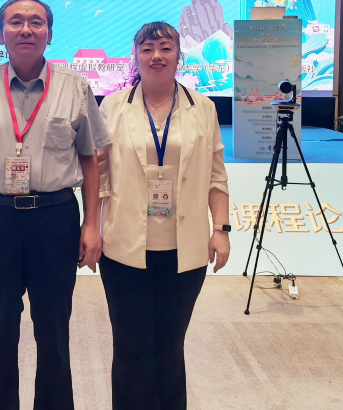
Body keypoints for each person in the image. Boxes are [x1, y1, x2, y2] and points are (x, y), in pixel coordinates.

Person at [0, 0, 111, 410]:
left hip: (55, 218)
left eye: (36, 22)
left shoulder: (75, 87)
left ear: (49, 34)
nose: (26, 29)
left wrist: (91, 225)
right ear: (1, 34)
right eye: (15, 21)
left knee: (54, 331)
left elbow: (90, 161)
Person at [97, 21, 231, 410]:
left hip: (184, 250)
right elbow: (99, 176)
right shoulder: (112, 106)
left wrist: (221, 229)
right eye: (147, 48)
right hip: (123, 248)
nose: (156, 55)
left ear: (178, 55)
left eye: (166, 47)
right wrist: (92, 226)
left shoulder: (203, 107)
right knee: (130, 345)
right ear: (135, 56)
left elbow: (216, 175)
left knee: (170, 346)